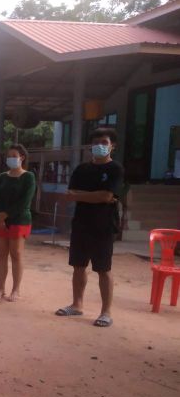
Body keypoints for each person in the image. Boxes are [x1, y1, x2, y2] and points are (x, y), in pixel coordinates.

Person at [55, 128, 123, 328]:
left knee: (103, 269)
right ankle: (76, 304)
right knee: (78, 266)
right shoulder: (81, 169)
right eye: (95, 142)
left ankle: (106, 312)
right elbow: (70, 194)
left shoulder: (115, 169)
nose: (99, 146)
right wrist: (95, 195)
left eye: (104, 142)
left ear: (112, 146)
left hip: (103, 225)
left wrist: (82, 195)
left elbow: (107, 196)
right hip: (81, 223)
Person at [0, 144, 35, 302]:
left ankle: (16, 290)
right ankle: (0, 288)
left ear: (22, 157)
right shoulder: (2, 177)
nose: (11, 159)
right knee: (1, 254)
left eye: (14, 156)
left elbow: (25, 201)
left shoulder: (28, 177)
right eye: (9, 156)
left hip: (19, 219)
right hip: (0, 219)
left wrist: (6, 214)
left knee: (16, 254)